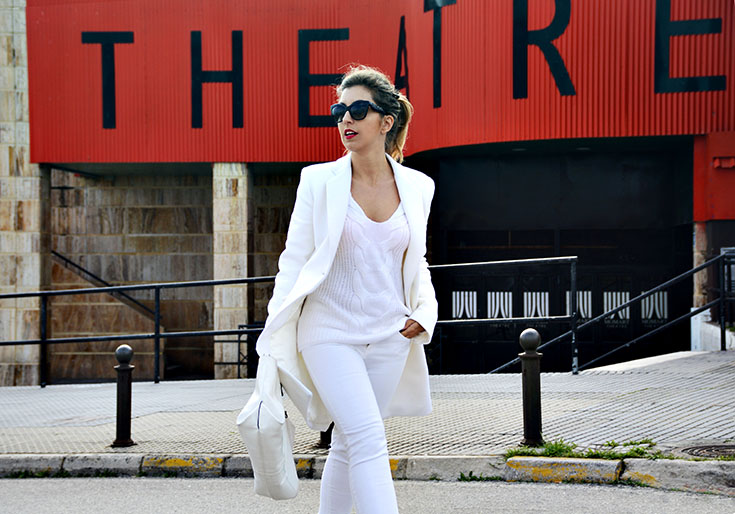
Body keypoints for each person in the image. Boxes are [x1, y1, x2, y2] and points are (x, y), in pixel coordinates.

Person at [256, 65, 438, 514]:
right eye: (339, 111)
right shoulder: (318, 181)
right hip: (329, 332)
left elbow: (416, 261)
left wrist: (424, 314)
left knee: (348, 443)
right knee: (369, 438)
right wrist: (272, 336)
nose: (345, 119)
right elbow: (293, 262)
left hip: (390, 334)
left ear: (386, 121)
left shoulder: (419, 187)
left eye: (358, 110)